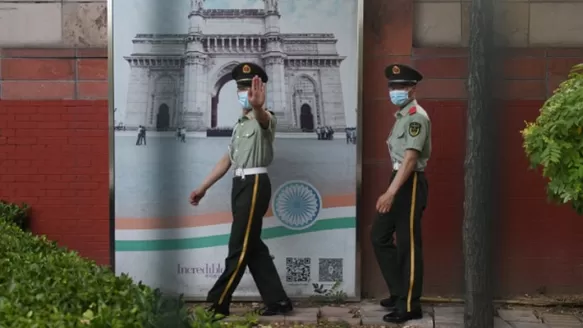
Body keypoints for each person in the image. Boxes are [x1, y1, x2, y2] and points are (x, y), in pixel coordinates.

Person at [189, 62, 293, 319]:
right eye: (240, 87)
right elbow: (228, 159)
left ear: (259, 90)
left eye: (249, 87)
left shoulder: (265, 119)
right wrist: (203, 187)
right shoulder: (239, 125)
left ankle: (217, 303)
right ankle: (278, 301)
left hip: (256, 184)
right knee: (252, 245)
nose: (244, 92)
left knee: (238, 245)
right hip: (240, 185)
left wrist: (258, 107)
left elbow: (263, 118)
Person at [371, 64, 431, 324]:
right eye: (392, 86)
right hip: (398, 179)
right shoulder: (402, 116)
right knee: (379, 236)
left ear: (413, 88)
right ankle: (398, 291)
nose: (395, 91)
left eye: (401, 86)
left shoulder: (416, 116)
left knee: (408, 244)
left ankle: (410, 304)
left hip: (410, 182)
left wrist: (390, 192)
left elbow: (410, 159)